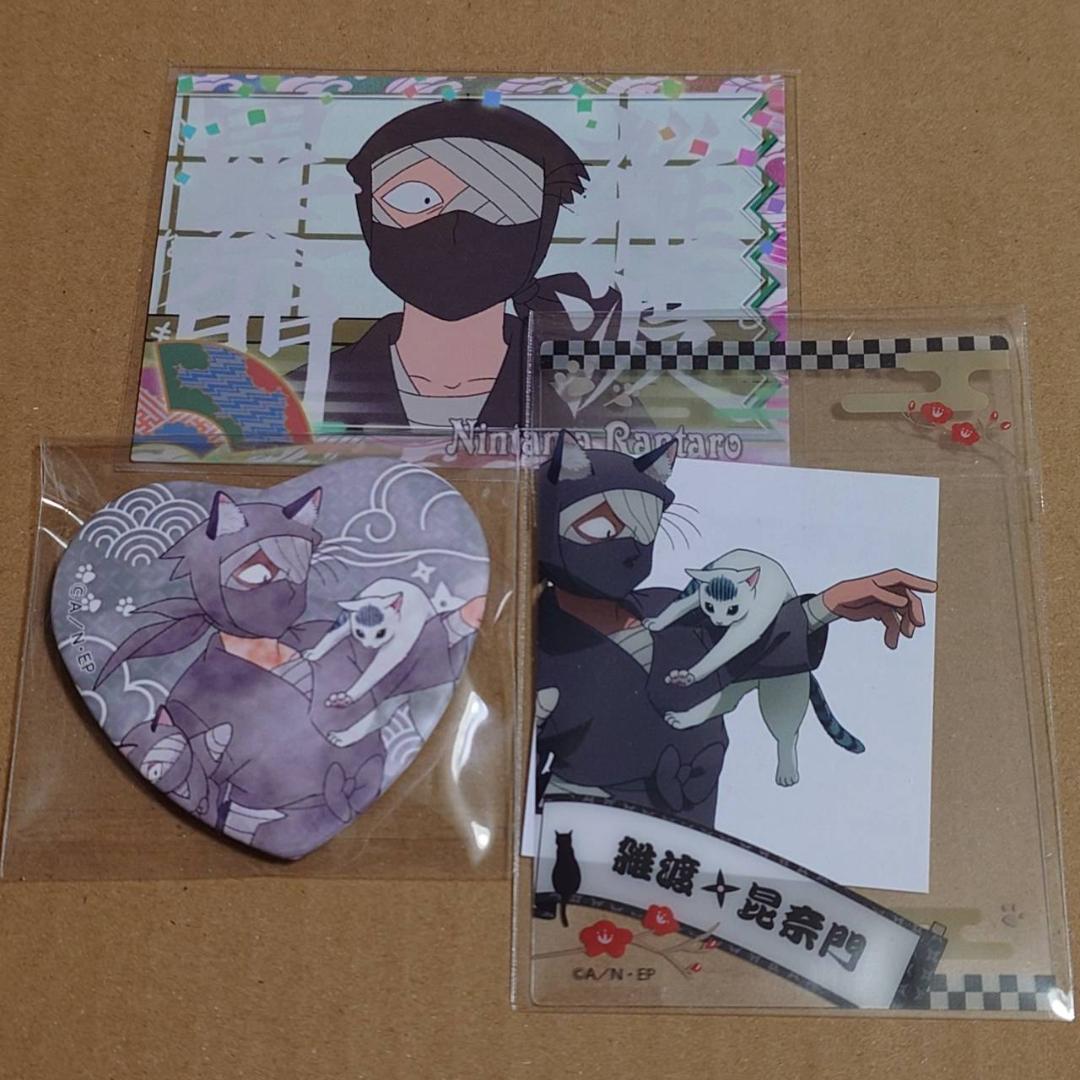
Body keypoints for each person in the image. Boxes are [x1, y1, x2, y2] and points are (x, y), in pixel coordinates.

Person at [534, 432, 937, 829]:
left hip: (692, 826)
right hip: (585, 824)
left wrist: (828, 605)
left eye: (645, 533)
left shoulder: (665, 608)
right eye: (602, 530)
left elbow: (749, 646)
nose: (630, 551)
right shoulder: (533, 641)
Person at [299, 98, 620, 430]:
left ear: (543, 227)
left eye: (499, 203)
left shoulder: (586, 394)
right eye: (416, 199)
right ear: (367, 214)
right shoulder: (306, 391)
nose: (456, 224)